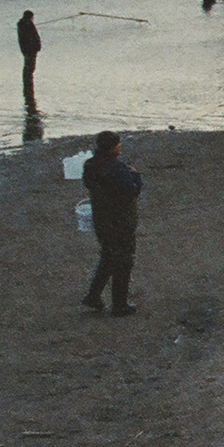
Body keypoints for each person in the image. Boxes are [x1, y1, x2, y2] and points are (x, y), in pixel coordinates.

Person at [79, 130, 142, 317]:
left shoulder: (90, 166)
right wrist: (136, 176)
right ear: (113, 147)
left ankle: (93, 295)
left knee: (108, 256)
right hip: (120, 220)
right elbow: (132, 190)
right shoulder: (116, 169)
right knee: (123, 260)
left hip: (101, 219)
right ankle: (119, 304)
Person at [16, 9, 42, 86]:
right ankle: (28, 86)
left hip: (28, 50)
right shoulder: (28, 25)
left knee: (29, 69)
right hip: (30, 50)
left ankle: (28, 84)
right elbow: (32, 37)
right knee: (29, 69)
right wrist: (36, 47)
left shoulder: (23, 25)